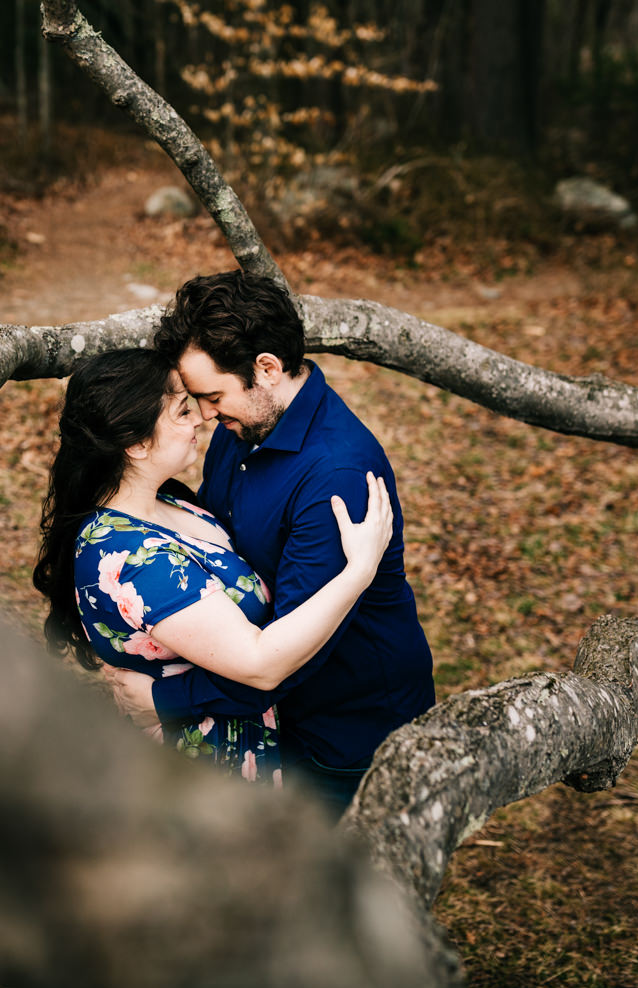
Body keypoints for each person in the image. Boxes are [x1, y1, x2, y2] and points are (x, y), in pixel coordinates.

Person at [104, 271, 436, 813]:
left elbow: (296, 650)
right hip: (271, 717)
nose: (206, 415)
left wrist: (166, 700)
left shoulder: (336, 475)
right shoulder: (243, 430)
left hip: (349, 733)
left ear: (266, 369)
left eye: (213, 396)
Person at [34, 347, 393, 786]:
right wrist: (360, 570)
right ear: (136, 443)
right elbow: (261, 663)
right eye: (182, 411)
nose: (202, 419)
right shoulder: (135, 562)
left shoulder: (168, 503)